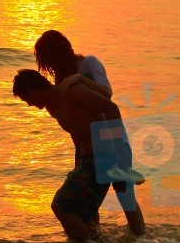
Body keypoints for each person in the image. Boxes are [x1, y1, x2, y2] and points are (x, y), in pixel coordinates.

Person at [13, 69, 145, 243]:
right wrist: (78, 166)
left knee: (61, 206)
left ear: (32, 91)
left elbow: (110, 108)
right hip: (88, 160)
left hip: (103, 158)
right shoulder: (53, 108)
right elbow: (78, 135)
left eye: (27, 99)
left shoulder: (71, 93)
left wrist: (120, 157)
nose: (29, 104)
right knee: (82, 213)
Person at [34, 30, 144, 227]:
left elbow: (107, 94)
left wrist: (80, 79)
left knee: (124, 195)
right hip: (86, 147)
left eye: (49, 58)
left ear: (59, 52)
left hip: (112, 136)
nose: (49, 65)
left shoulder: (89, 63)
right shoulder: (61, 78)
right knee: (88, 203)